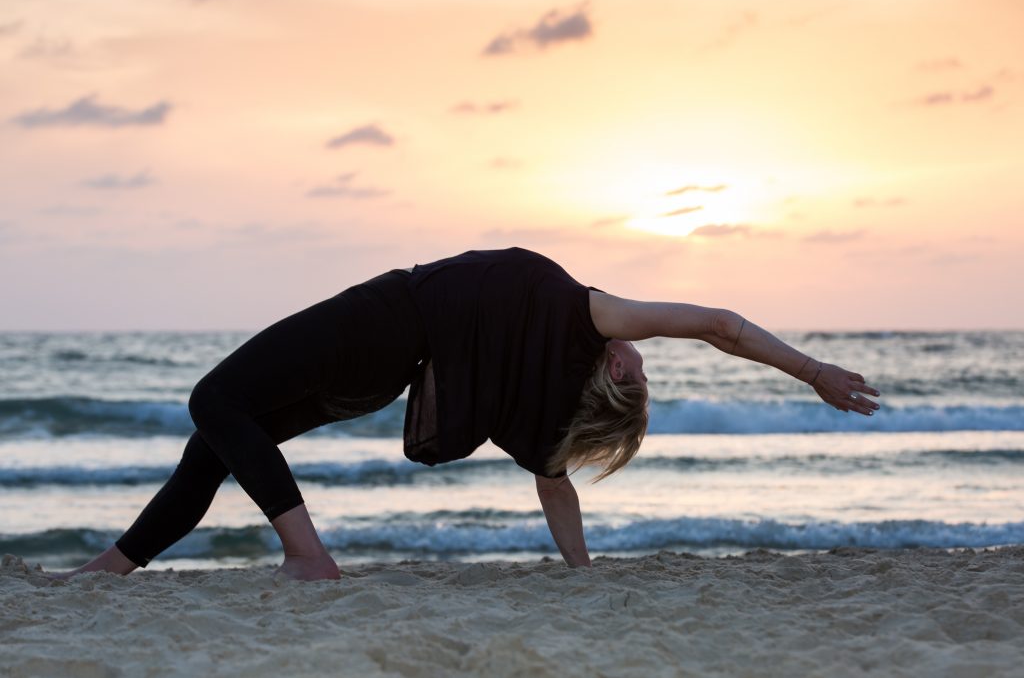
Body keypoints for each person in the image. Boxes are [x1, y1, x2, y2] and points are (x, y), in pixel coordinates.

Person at [50, 247, 880, 581]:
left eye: (641, 370)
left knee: (215, 399)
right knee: (223, 438)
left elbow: (719, 325)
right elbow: (557, 490)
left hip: (386, 321)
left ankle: (306, 554)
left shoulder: (591, 318)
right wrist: (583, 575)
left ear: (619, 368)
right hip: (389, 375)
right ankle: (112, 567)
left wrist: (813, 371)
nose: (642, 357)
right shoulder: (540, 412)